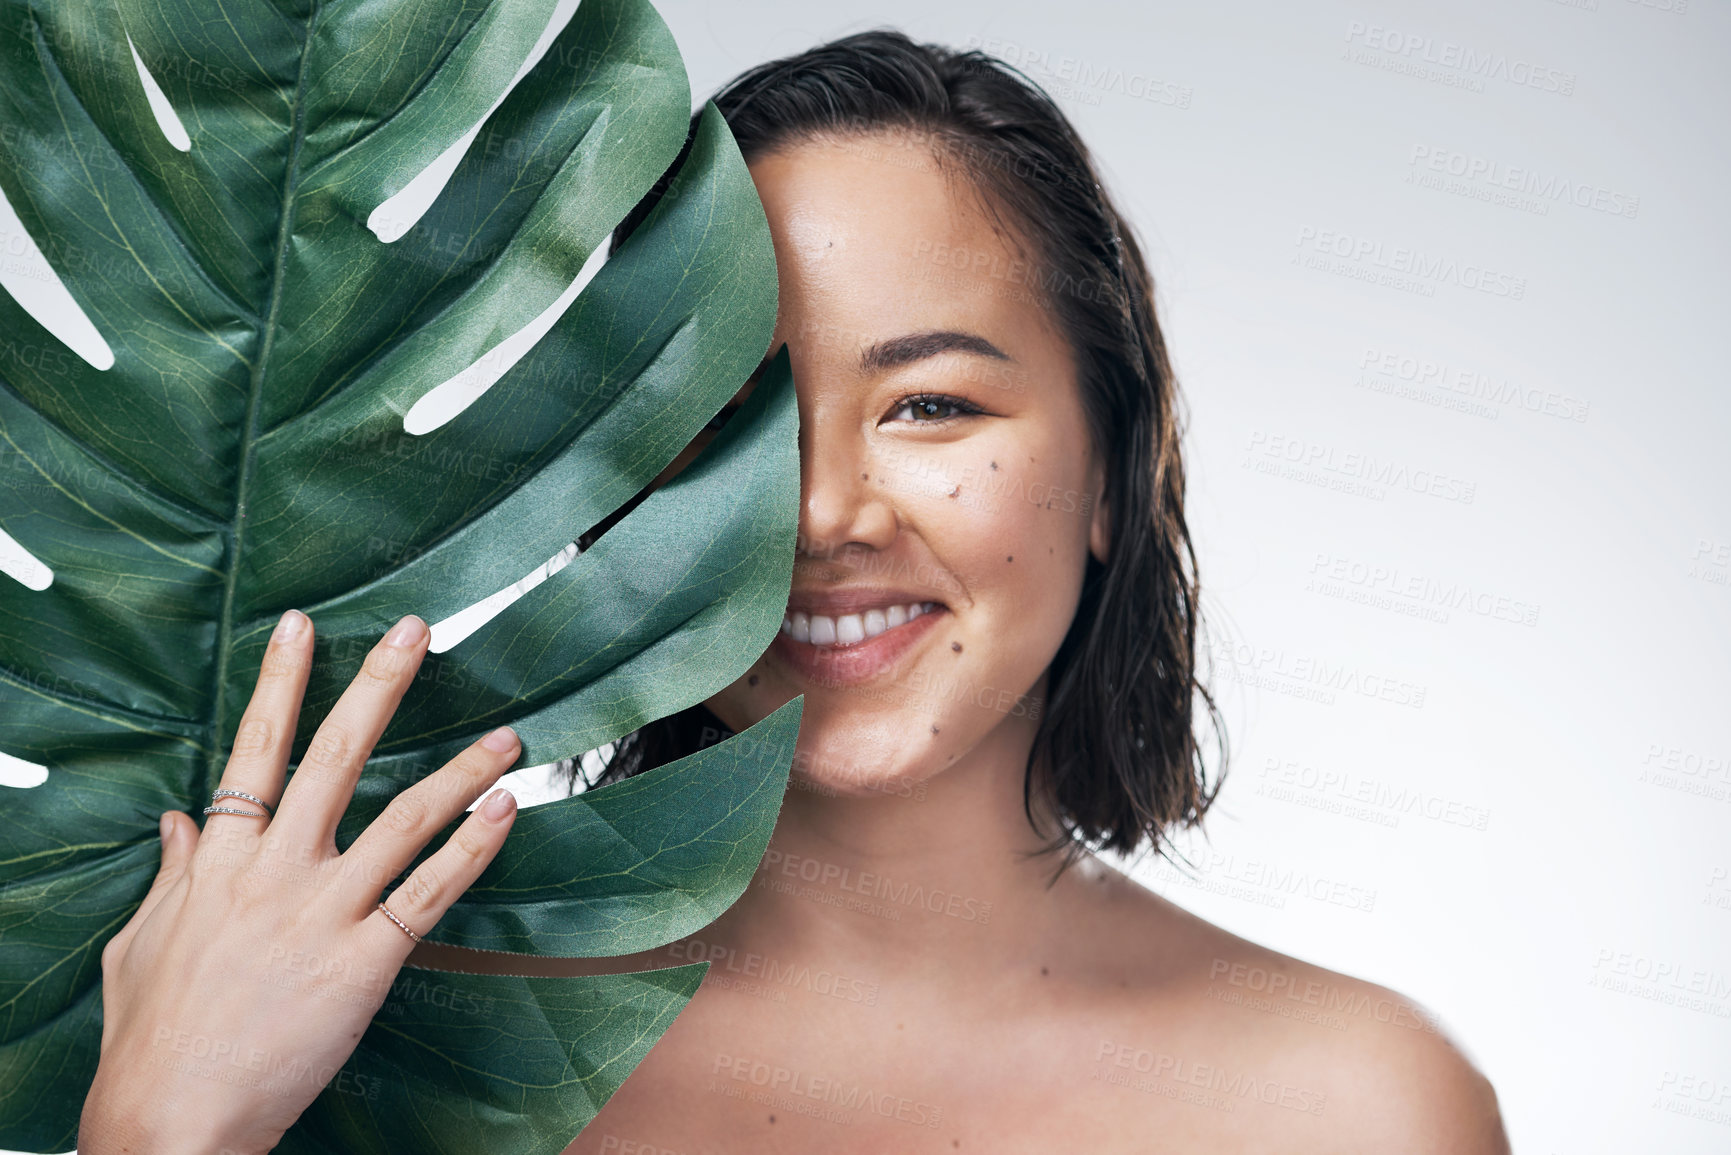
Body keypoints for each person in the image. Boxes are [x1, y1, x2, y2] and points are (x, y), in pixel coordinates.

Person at [80, 31, 1510, 1155]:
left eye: (933, 405)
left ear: (1118, 466)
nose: (824, 511)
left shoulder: (1360, 1111)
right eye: (732, 415)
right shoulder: (386, 1050)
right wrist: (157, 1134)